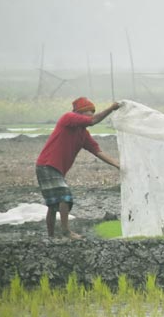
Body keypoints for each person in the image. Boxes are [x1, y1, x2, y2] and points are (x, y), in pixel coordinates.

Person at [35, 97, 121, 239]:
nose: (91, 114)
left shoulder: (83, 134)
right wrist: (111, 108)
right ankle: (66, 231)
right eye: (89, 111)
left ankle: (50, 237)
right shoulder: (68, 118)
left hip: (55, 169)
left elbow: (98, 152)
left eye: (93, 112)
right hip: (47, 164)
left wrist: (118, 165)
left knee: (53, 204)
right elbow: (93, 122)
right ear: (79, 113)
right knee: (64, 195)